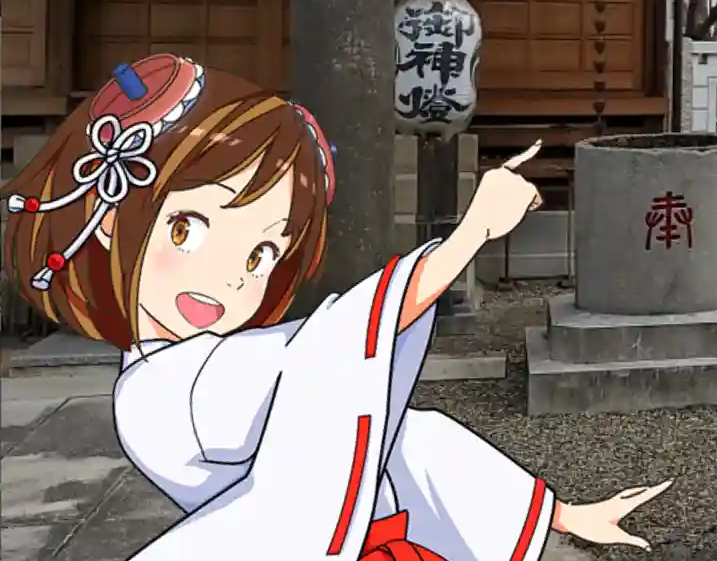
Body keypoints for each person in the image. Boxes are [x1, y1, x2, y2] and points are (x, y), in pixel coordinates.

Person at [2, 54, 669, 560]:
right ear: (112, 220)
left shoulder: (218, 362)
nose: (229, 278)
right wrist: (469, 236)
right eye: (188, 228)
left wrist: (562, 514)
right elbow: (334, 350)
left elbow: (408, 438)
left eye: (261, 254)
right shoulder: (162, 395)